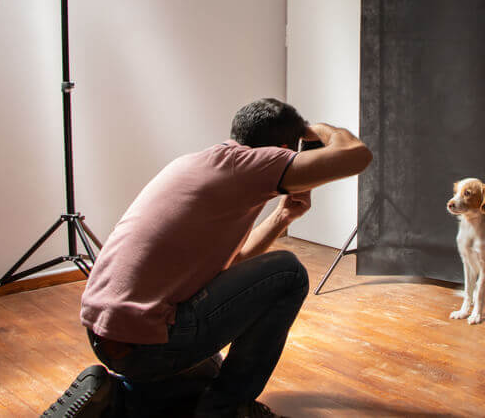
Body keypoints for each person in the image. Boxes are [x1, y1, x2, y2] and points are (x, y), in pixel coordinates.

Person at [42, 98, 372, 418]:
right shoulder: (253, 165)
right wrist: (318, 130)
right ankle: (226, 410)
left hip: (107, 334)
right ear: (282, 150)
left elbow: (231, 264)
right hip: (147, 342)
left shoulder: (201, 163)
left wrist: (281, 218)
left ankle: (116, 399)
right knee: (289, 272)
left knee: (206, 372)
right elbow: (356, 157)